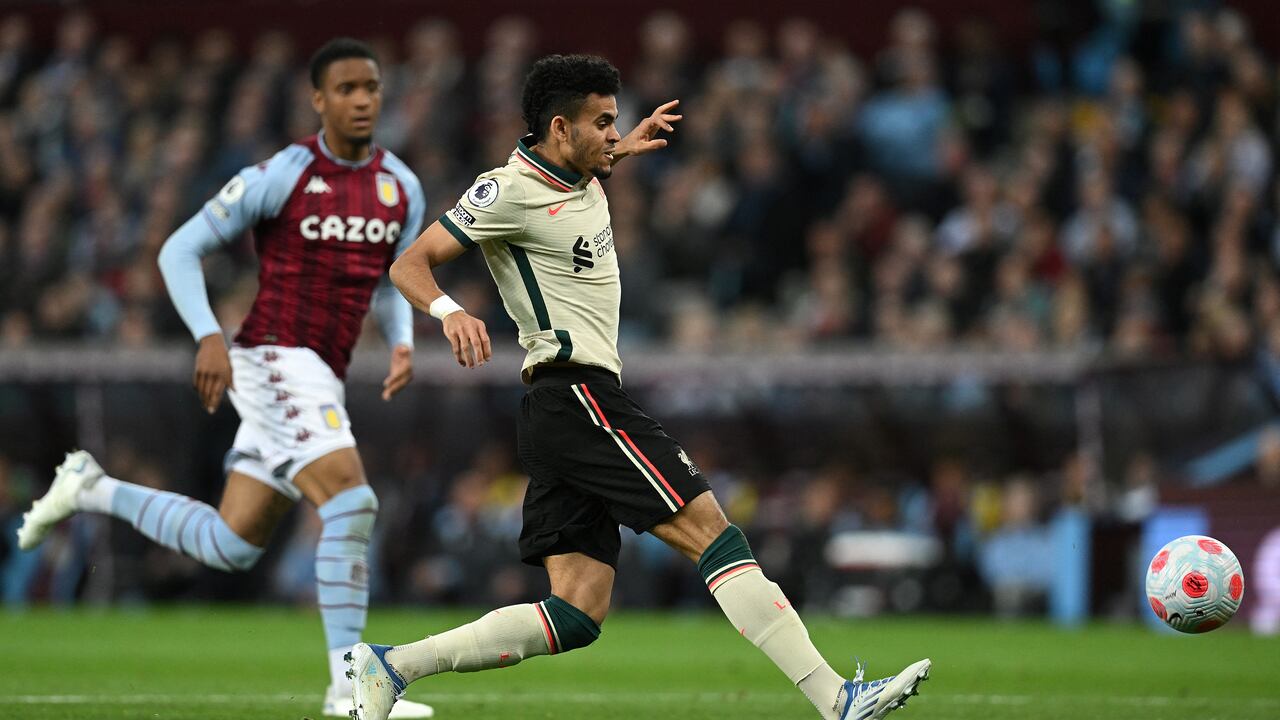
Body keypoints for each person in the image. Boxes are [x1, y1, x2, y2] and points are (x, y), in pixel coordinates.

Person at [347, 54, 930, 720]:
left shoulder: (579, 165)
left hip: (561, 408)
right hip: (578, 395)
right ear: (560, 128)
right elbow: (410, 264)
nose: (612, 134)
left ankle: (390, 667)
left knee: (577, 610)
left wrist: (624, 145)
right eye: (603, 123)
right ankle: (836, 699)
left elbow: (584, 168)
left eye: (616, 122)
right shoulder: (507, 190)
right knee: (712, 531)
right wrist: (450, 312)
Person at [17, 38, 434, 719]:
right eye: (348, 89)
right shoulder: (283, 173)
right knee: (352, 504)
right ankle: (352, 689)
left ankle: (92, 489)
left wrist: (404, 341)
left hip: (322, 374)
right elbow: (179, 248)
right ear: (319, 99)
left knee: (231, 543)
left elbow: (394, 279)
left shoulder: (402, 187)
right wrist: (209, 334)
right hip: (271, 355)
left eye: (372, 87)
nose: (363, 100)